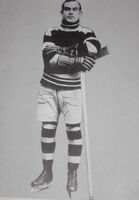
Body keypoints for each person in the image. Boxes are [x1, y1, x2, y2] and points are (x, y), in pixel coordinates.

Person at [31, 0, 101, 197]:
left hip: (72, 90)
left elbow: (94, 49)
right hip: (48, 87)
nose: (71, 12)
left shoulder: (87, 31)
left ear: (80, 12)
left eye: (75, 9)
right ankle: (47, 173)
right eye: (67, 9)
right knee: (47, 128)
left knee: (74, 131)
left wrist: (62, 53)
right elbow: (50, 60)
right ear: (61, 11)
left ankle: (72, 175)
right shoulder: (51, 31)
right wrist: (79, 59)